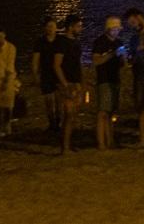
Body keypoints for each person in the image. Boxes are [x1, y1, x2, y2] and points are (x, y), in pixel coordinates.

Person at [123, 8, 144, 149]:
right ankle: (143, 139)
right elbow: (132, 57)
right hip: (139, 74)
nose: (132, 25)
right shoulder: (135, 38)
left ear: (139, 17)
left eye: (132, 21)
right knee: (142, 107)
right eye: (129, 23)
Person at [52, 14, 84, 154]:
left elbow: (78, 64)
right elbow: (57, 65)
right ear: (70, 27)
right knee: (68, 114)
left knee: (73, 115)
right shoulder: (61, 42)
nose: (80, 28)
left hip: (75, 82)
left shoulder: (76, 42)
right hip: (67, 83)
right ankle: (64, 147)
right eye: (78, 26)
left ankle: (68, 144)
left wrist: (81, 82)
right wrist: (64, 84)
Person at [91, 16, 123, 151]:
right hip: (104, 80)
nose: (117, 31)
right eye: (114, 29)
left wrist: (122, 58)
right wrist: (111, 54)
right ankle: (101, 143)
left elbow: (122, 63)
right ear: (108, 29)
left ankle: (110, 141)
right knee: (103, 112)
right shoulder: (100, 42)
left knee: (111, 112)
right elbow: (96, 61)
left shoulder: (119, 42)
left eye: (118, 29)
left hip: (114, 79)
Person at [29, 18, 61, 132]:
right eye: (48, 26)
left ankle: (58, 121)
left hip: (58, 74)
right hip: (46, 73)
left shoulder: (60, 40)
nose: (51, 28)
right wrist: (35, 74)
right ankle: (51, 122)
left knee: (58, 100)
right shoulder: (40, 41)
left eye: (53, 26)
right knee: (48, 100)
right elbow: (35, 59)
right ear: (45, 28)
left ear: (56, 27)